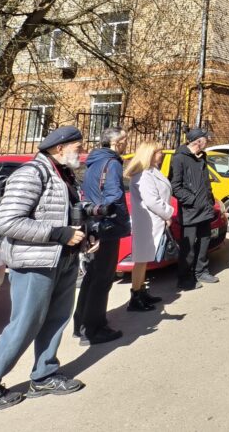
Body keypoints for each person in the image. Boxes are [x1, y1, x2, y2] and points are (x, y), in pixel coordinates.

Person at [0, 126, 87, 411]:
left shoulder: (65, 175)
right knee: (25, 323)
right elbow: (9, 221)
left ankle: (43, 375)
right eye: (78, 148)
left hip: (63, 259)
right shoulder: (32, 174)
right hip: (35, 261)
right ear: (60, 148)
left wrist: (85, 237)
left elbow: (67, 214)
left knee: (57, 318)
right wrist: (59, 233)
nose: (81, 153)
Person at [75, 126, 131, 346]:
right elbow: (114, 194)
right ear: (116, 143)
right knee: (103, 278)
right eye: (125, 139)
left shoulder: (94, 161)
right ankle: (94, 329)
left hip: (93, 223)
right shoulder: (113, 163)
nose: (127, 143)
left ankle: (81, 324)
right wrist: (119, 217)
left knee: (92, 276)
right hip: (107, 225)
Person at [124, 141, 173, 311]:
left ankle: (141, 291)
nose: (162, 154)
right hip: (147, 222)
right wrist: (168, 212)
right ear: (150, 154)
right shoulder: (143, 174)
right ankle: (135, 297)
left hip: (153, 221)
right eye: (159, 152)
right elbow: (152, 200)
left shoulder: (152, 171)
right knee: (141, 260)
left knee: (144, 260)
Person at [170, 128, 217, 290]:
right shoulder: (179, 158)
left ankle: (201, 271)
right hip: (190, 210)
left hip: (205, 208)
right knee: (188, 247)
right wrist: (192, 200)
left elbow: (206, 183)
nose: (208, 141)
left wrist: (210, 201)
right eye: (206, 139)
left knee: (204, 242)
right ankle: (184, 278)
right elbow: (175, 186)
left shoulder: (202, 157)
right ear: (198, 141)